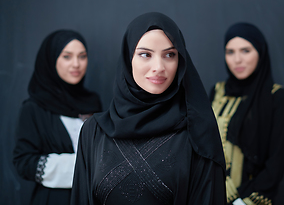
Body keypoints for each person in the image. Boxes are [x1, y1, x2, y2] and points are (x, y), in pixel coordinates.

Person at [70, 12, 226, 205]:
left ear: (181, 62)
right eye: (145, 54)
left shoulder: (197, 132)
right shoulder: (93, 131)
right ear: (129, 60)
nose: (159, 66)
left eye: (170, 55)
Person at [13, 30, 102, 205]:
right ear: (51, 59)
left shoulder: (93, 103)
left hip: (92, 198)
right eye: (67, 57)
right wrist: (82, 167)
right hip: (54, 199)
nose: (76, 64)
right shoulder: (34, 108)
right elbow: (24, 162)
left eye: (82, 56)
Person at [210, 23, 284, 205]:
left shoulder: (276, 98)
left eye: (246, 50)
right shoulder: (218, 92)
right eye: (230, 52)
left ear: (260, 52)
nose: (237, 60)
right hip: (209, 194)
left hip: (248, 199)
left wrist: (243, 202)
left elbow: (276, 162)